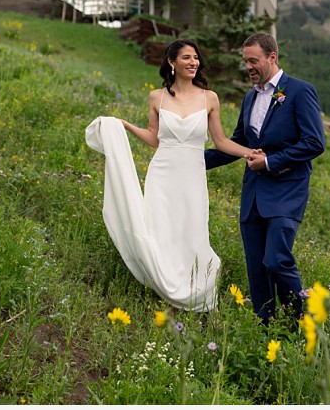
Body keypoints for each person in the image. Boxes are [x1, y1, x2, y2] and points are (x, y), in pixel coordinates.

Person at [85, 39, 253, 311]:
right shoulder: (157, 97)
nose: (193, 62)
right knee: (162, 229)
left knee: (191, 229)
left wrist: (249, 152)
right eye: (186, 57)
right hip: (163, 174)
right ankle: (162, 284)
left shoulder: (209, 97)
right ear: (172, 62)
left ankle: (191, 287)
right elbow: (154, 139)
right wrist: (126, 125)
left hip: (192, 177)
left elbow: (220, 141)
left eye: (196, 57)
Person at [205, 33, 325, 322]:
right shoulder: (249, 99)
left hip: (286, 192)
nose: (248, 66)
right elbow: (235, 145)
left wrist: (270, 162)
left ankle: (302, 323)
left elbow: (314, 142)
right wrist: (187, 160)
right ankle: (266, 327)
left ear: (272, 57)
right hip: (253, 197)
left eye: (253, 60)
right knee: (257, 269)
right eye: (245, 61)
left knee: (276, 260)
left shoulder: (299, 91)